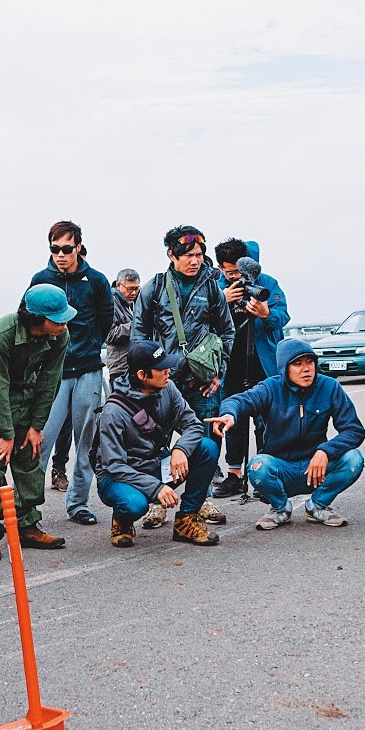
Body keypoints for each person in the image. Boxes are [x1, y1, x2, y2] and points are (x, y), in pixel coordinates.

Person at [132, 225, 236, 528]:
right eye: (189, 255)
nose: (195, 260)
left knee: (205, 442)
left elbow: (227, 331)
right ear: (172, 255)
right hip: (161, 382)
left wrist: (218, 372)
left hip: (202, 383)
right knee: (155, 444)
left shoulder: (211, 288)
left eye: (199, 254)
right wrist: (145, 379)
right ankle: (157, 502)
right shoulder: (154, 288)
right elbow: (138, 337)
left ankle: (200, 500)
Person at [207, 338, 365, 530]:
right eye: (297, 364)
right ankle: (280, 508)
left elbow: (354, 430)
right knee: (257, 466)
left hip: (315, 469)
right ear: (284, 368)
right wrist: (229, 414)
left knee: (353, 459)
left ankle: (317, 505)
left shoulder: (329, 387)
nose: (306, 369)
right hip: (281, 471)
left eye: (310, 362)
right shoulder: (270, 388)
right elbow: (238, 401)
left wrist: (326, 451)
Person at [0, 285, 75, 562]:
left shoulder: (59, 335)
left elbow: (49, 381)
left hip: (26, 398)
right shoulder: (2, 333)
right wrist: (6, 433)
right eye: (58, 319)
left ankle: (27, 526)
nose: (64, 324)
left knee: (30, 459)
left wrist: (36, 426)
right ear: (36, 319)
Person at [93, 339, 223, 548]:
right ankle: (122, 520)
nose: (168, 371)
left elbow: (193, 424)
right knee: (134, 504)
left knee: (207, 448)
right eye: (161, 368)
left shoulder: (168, 388)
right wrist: (156, 488)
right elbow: (114, 465)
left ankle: (186, 519)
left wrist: (180, 449)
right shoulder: (113, 411)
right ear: (142, 375)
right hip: (119, 477)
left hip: (154, 465)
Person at [29, 221, 113, 526]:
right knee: (41, 440)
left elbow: (106, 320)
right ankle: (28, 508)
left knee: (86, 444)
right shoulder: (40, 279)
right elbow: (29, 319)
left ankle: (78, 503)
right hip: (53, 372)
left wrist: (89, 345)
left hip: (88, 369)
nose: (61, 255)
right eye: (55, 249)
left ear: (78, 247)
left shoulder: (96, 281)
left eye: (66, 249)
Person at [213, 238, 290, 499]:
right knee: (233, 419)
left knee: (265, 421)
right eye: (229, 273)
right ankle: (234, 475)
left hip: (263, 362)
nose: (235, 277)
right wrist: (222, 301)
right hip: (230, 363)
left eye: (239, 271)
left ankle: (264, 474)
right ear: (220, 269)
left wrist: (266, 314)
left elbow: (283, 316)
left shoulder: (267, 283)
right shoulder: (215, 287)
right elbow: (201, 321)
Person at [106, 268, 142, 382]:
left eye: (137, 288)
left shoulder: (135, 303)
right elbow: (109, 335)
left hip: (136, 365)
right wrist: (137, 324)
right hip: (120, 368)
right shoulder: (110, 303)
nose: (134, 293)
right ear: (118, 285)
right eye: (130, 289)